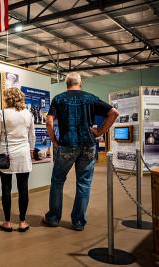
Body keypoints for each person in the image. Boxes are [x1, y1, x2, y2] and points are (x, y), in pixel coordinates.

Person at [43, 72, 119, 231]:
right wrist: (100, 132)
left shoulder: (59, 98)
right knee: (84, 183)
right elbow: (114, 113)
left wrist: (54, 140)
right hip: (88, 145)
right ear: (80, 83)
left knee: (57, 181)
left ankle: (53, 218)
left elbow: (49, 121)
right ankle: (78, 222)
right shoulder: (91, 98)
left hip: (66, 145)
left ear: (66, 83)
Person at [0, 87, 35, 232]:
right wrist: (31, 150)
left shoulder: (2, 114)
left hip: (6, 155)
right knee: (23, 189)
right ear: (20, 98)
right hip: (23, 154)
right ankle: (22, 222)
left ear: (7, 98)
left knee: (6, 188)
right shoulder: (28, 114)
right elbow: (32, 136)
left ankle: (7, 222)